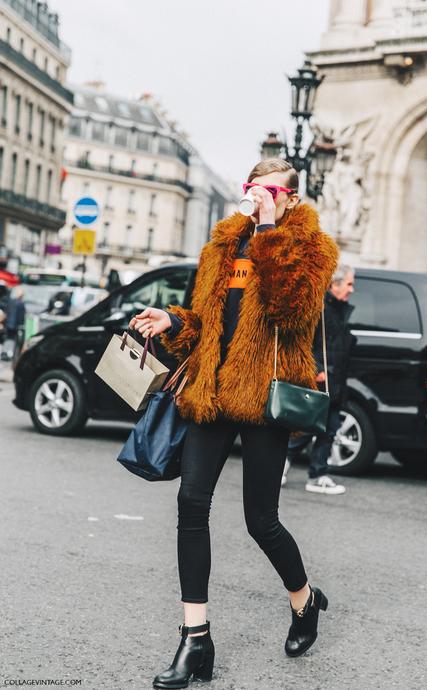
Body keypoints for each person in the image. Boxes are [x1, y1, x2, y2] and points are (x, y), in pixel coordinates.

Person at [129, 158, 338, 689]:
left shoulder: (314, 248)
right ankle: (195, 639)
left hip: (266, 399)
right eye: (252, 188)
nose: (258, 196)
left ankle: (304, 600)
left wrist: (268, 231)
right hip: (211, 392)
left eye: (270, 191)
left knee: (260, 520)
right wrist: (173, 320)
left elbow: (291, 310)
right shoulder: (223, 243)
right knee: (191, 503)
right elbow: (205, 319)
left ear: (290, 197)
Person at [282, 266, 356, 494]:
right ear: (334, 285)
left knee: (330, 427)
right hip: (322, 377)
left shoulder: (339, 309)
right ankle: (286, 464)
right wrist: (317, 369)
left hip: (335, 379)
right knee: (308, 426)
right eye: (349, 284)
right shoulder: (320, 308)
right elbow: (305, 342)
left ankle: (317, 474)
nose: (352, 290)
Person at [3, 286, 25, 361]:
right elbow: (21, 316)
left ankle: (5, 352)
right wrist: (21, 325)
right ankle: (10, 353)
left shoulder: (10, 302)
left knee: (8, 338)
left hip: (8, 324)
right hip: (15, 325)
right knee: (13, 339)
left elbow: (6, 312)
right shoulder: (20, 304)